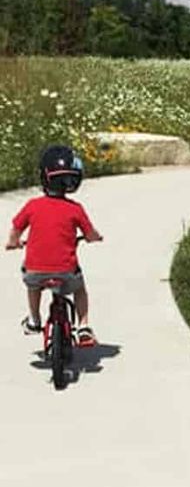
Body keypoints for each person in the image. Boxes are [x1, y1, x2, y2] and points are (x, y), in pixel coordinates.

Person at [5, 144, 103, 346]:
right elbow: (90, 234)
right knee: (79, 288)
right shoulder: (75, 209)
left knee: (33, 285)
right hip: (66, 272)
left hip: (35, 271)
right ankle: (83, 326)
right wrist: (95, 238)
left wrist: (13, 243)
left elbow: (16, 228)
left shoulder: (32, 206)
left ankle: (34, 319)